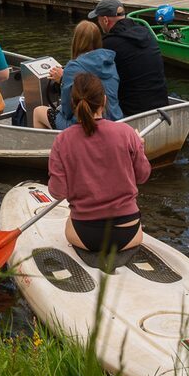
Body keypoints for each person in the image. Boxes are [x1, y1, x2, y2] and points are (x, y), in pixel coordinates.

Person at [47, 73, 150, 254]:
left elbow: (58, 192)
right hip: (129, 232)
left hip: (85, 235)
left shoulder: (62, 140)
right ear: (104, 100)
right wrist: (139, 148)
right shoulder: (126, 133)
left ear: (73, 103)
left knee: (69, 220)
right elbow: (142, 176)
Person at [32, 20, 123, 129]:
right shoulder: (110, 62)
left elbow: (67, 111)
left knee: (38, 112)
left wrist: (62, 81)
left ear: (76, 41)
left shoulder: (73, 67)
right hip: (115, 119)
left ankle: (54, 145)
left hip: (84, 124)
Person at [88, 0, 170, 116]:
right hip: (161, 106)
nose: (98, 23)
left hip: (132, 112)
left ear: (105, 20)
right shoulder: (146, 33)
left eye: (98, 19)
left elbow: (93, 75)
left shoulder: (109, 44)